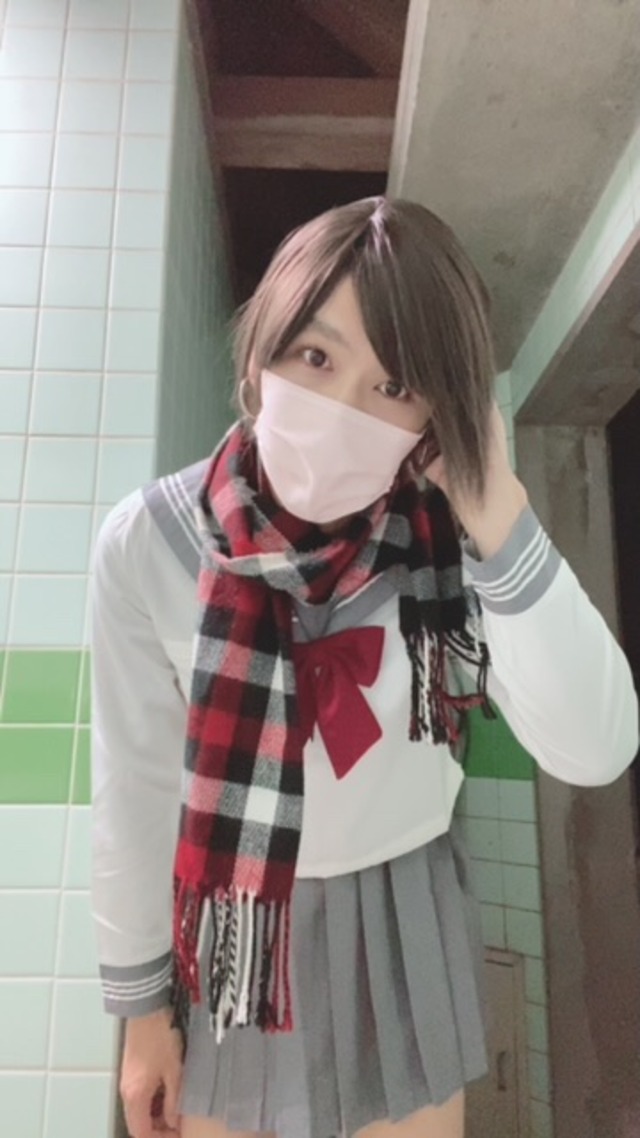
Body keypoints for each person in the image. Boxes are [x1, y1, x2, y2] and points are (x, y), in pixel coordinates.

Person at [90, 196, 638, 1138]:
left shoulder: (452, 541)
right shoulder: (150, 542)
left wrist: (496, 508)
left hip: (404, 905)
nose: (344, 408)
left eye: (394, 385)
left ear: (434, 414)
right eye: (316, 356)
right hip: (238, 919)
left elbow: (595, 747)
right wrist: (142, 1016)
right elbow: (134, 791)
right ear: (261, 352)